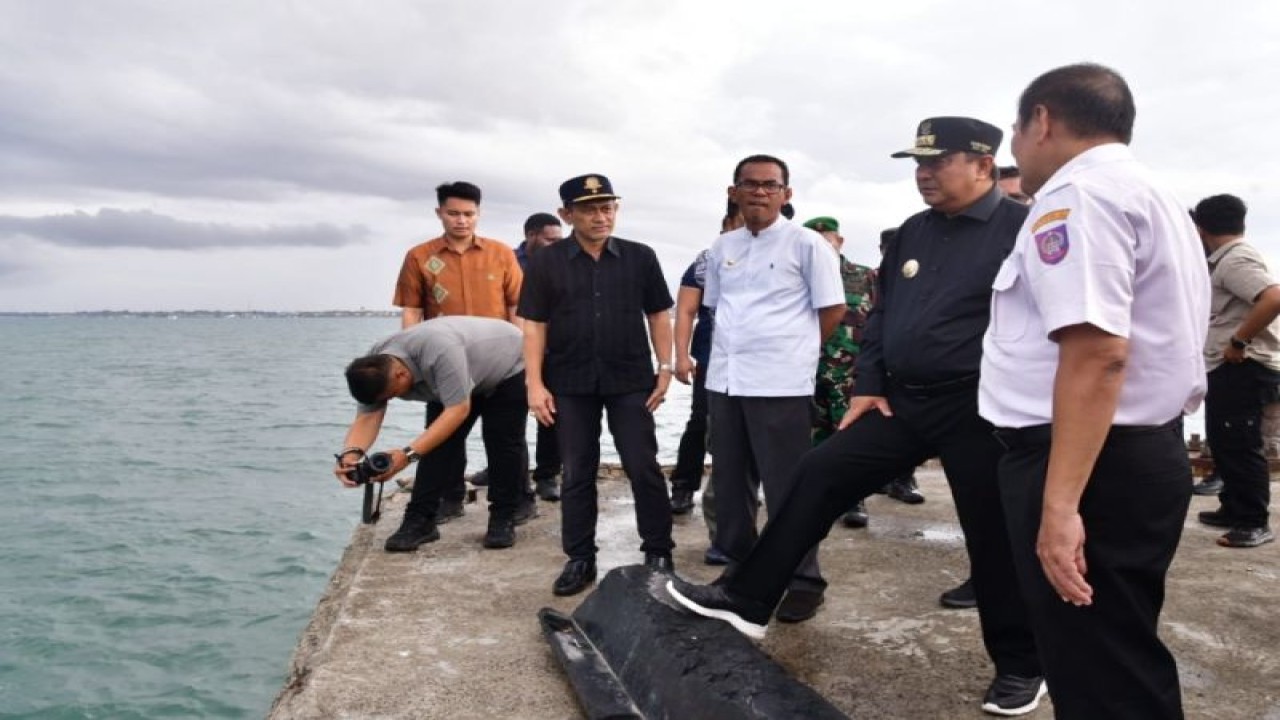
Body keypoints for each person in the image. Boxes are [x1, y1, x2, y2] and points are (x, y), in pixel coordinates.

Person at [668, 118, 1046, 716]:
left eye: (936, 162)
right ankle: (747, 598)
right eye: (917, 163)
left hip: (983, 407)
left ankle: (1022, 665)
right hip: (905, 401)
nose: (923, 174)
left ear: (982, 163)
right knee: (820, 473)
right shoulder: (914, 233)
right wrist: (869, 384)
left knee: (992, 535)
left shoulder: (1024, 229)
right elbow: (882, 317)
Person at [983, 62, 1209, 718]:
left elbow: (1097, 354)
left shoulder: (1077, 196)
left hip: (1086, 461)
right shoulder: (1150, 193)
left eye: (1016, 131)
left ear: (1043, 120)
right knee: (1118, 654)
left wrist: (1059, 508)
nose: (1016, 149)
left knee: (1100, 672)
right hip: (1132, 453)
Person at [701, 155, 846, 624]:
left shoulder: (806, 245)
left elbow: (832, 310)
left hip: (780, 383)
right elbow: (716, 308)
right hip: (726, 380)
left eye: (770, 185)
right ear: (734, 191)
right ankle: (741, 572)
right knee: (730, 484)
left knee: (788, 489)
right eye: (750, 184)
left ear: (787, 194)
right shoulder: (723, 245)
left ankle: (805, 580)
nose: (759, 192)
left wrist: (797, 351)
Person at [518, 174, 676, 596]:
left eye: (608, 208)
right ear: (566, 214)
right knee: (577, 471)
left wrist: (666, 368)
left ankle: (659, 551)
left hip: (630, 380)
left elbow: (659, 314)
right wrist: (534, 385)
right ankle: (580, 557)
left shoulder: (641, 257)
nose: (600, 216)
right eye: (589, 209)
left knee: (643, 465)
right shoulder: (546, 262)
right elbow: (534, 325)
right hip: (569, 381)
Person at [392, 182, 530, 525]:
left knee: (507, 440)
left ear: (478, 214)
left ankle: (516, 504)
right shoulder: (419, 256)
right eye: (453, 213)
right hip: (443, 364)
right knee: (443, 437)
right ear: (440, 213)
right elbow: (411, 310)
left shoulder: (501, 253)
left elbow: (516, 305)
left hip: (500, 362)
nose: (461, 221)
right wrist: (414, 359)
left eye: (469, 214)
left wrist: (523, 352)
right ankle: (448, 500)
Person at [332, 316, 528, 552]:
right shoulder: (373, 366)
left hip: (506, 363)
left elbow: (458, 410)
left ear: (401, 375)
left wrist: (406, 456)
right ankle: (420, 521)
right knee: (435, 446)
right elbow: (368, 416)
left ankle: (502, 518)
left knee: (502, 442)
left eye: (391, 395)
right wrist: (350, 455)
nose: (391, 400)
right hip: (452, 376)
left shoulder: (439, 351)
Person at [1192, 193, 1279, 548]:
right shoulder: (1226, 259)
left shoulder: (1234, 260)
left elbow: (1273, 297)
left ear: (1201, 228)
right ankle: (1232, 507)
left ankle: (1253, 520)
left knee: (1242, 444)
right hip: (1230, 367)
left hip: (1246, 366)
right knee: (1226, 439)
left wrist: (1239, 342)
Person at [673, 204, 744, 565]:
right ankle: (684, 488)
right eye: (739, 220)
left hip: (765, 365)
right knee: (701, 423)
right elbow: (685, 309)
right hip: (714, 360)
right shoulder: (707, 259)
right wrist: (681, 356)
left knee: (750, 438)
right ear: (726, 223)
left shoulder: (789, 250)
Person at [802, 216, 877, 530]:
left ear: (840, 241)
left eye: (827, 239)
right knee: (812, 436)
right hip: (809, 368)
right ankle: (816, 497)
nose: (822, 246)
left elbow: (882, 321)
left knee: (850, 436)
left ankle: (853, 499)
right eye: (815, 241)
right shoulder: (800, 276)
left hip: (851, 371)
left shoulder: (865, 276)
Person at [514, 212, 565, 502]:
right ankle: (514, 471)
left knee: (550, 415)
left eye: (559, 239)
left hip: (552, 349)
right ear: (531, 236)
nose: (556, 244)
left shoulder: (560, 263)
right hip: (511, 349)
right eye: (550, 239)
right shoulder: (508, 262)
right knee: (508, 416)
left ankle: (547, 475)